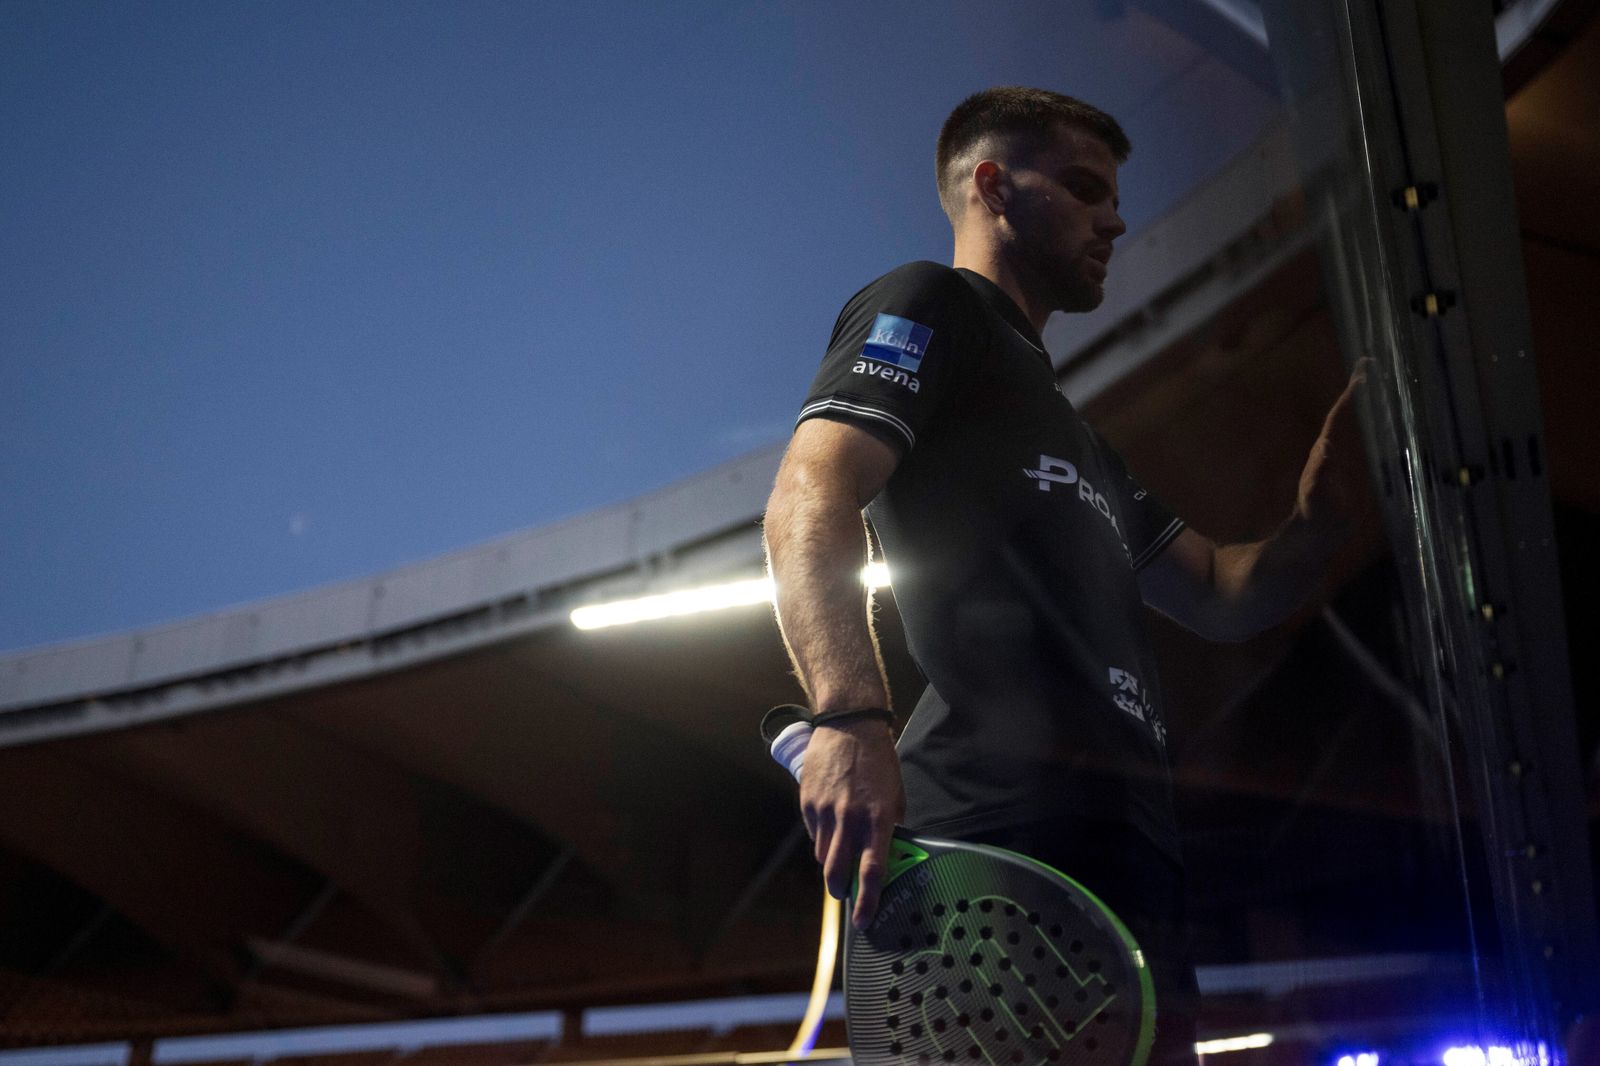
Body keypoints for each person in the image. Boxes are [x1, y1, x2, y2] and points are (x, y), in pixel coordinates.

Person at [762, 86, 1366, 1065]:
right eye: (1085, 188)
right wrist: (845, 716)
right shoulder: (930, 303)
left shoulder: (1079, 440)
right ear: (992, 185)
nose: (1114, 217)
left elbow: (1220, 592)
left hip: (1133, 859)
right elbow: (808, 492)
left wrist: (1320, 521)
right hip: (996, 845)